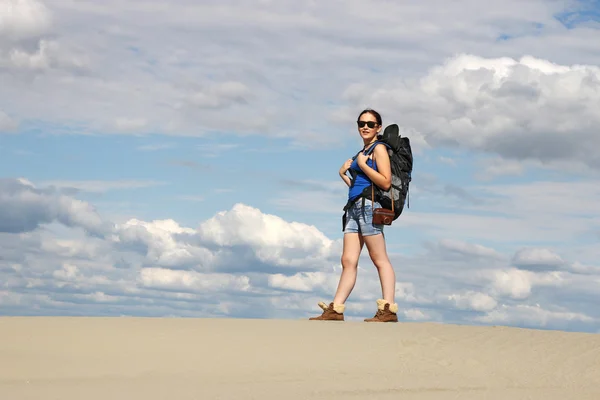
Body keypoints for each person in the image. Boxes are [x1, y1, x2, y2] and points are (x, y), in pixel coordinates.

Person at [310, 109, 398, 323]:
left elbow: (385, 182)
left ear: (378, 127)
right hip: (354, 207)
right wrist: (343, 174)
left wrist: (365, 166)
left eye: (370, 123)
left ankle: (389, 309)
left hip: (369, 208)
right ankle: (336, 309)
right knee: (348, 260)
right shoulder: (363, 150)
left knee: (379, 259)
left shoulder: (379, 149)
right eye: (361, 123)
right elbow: (359, 187)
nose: (365, 127)